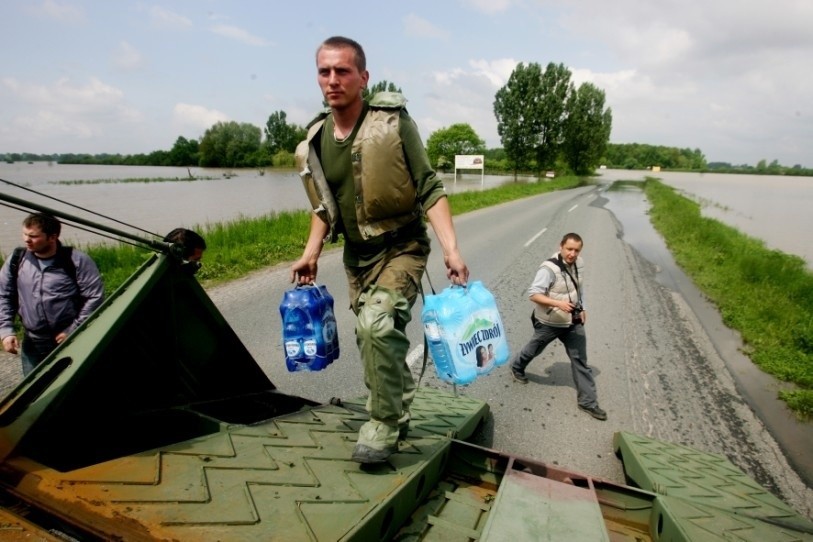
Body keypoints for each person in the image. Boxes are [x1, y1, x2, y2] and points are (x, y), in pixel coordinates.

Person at [292, 36, 469, 464]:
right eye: (324, 71)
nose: (332, 80)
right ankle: (402, 397)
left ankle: (385, 423)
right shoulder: (316, 138)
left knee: (376, 326)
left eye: (342, 71)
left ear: (363, 78)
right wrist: (311, 251)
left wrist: (451, 249)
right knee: (372, 337)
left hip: (402, 246)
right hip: (357, 258)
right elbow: (325, 205)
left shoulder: (392, 123)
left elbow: (429, 186)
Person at [510, 233, 607, 421]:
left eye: (576, 250)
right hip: (550, 321)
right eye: (569, 249)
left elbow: (578, 288)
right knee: (534, 349)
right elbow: (534, 295)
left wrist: (583, 307)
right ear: (561, 246)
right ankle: (517, 366)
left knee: (580, 361)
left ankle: (588, 402)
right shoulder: (549, 269)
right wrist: (558, 303)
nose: (572, 254)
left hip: (572, 321)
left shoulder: (579, 263)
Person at [0, 213, 104, 376]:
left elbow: (94, 298)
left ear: (52, 237)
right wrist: (6, 330)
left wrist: (74, 329)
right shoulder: (16, 259)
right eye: (25, 234)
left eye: (33, 236)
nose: (26, 240)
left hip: (69, 340)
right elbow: (4, 295)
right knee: (34, 393)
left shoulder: (77, 261)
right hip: (32, 343)